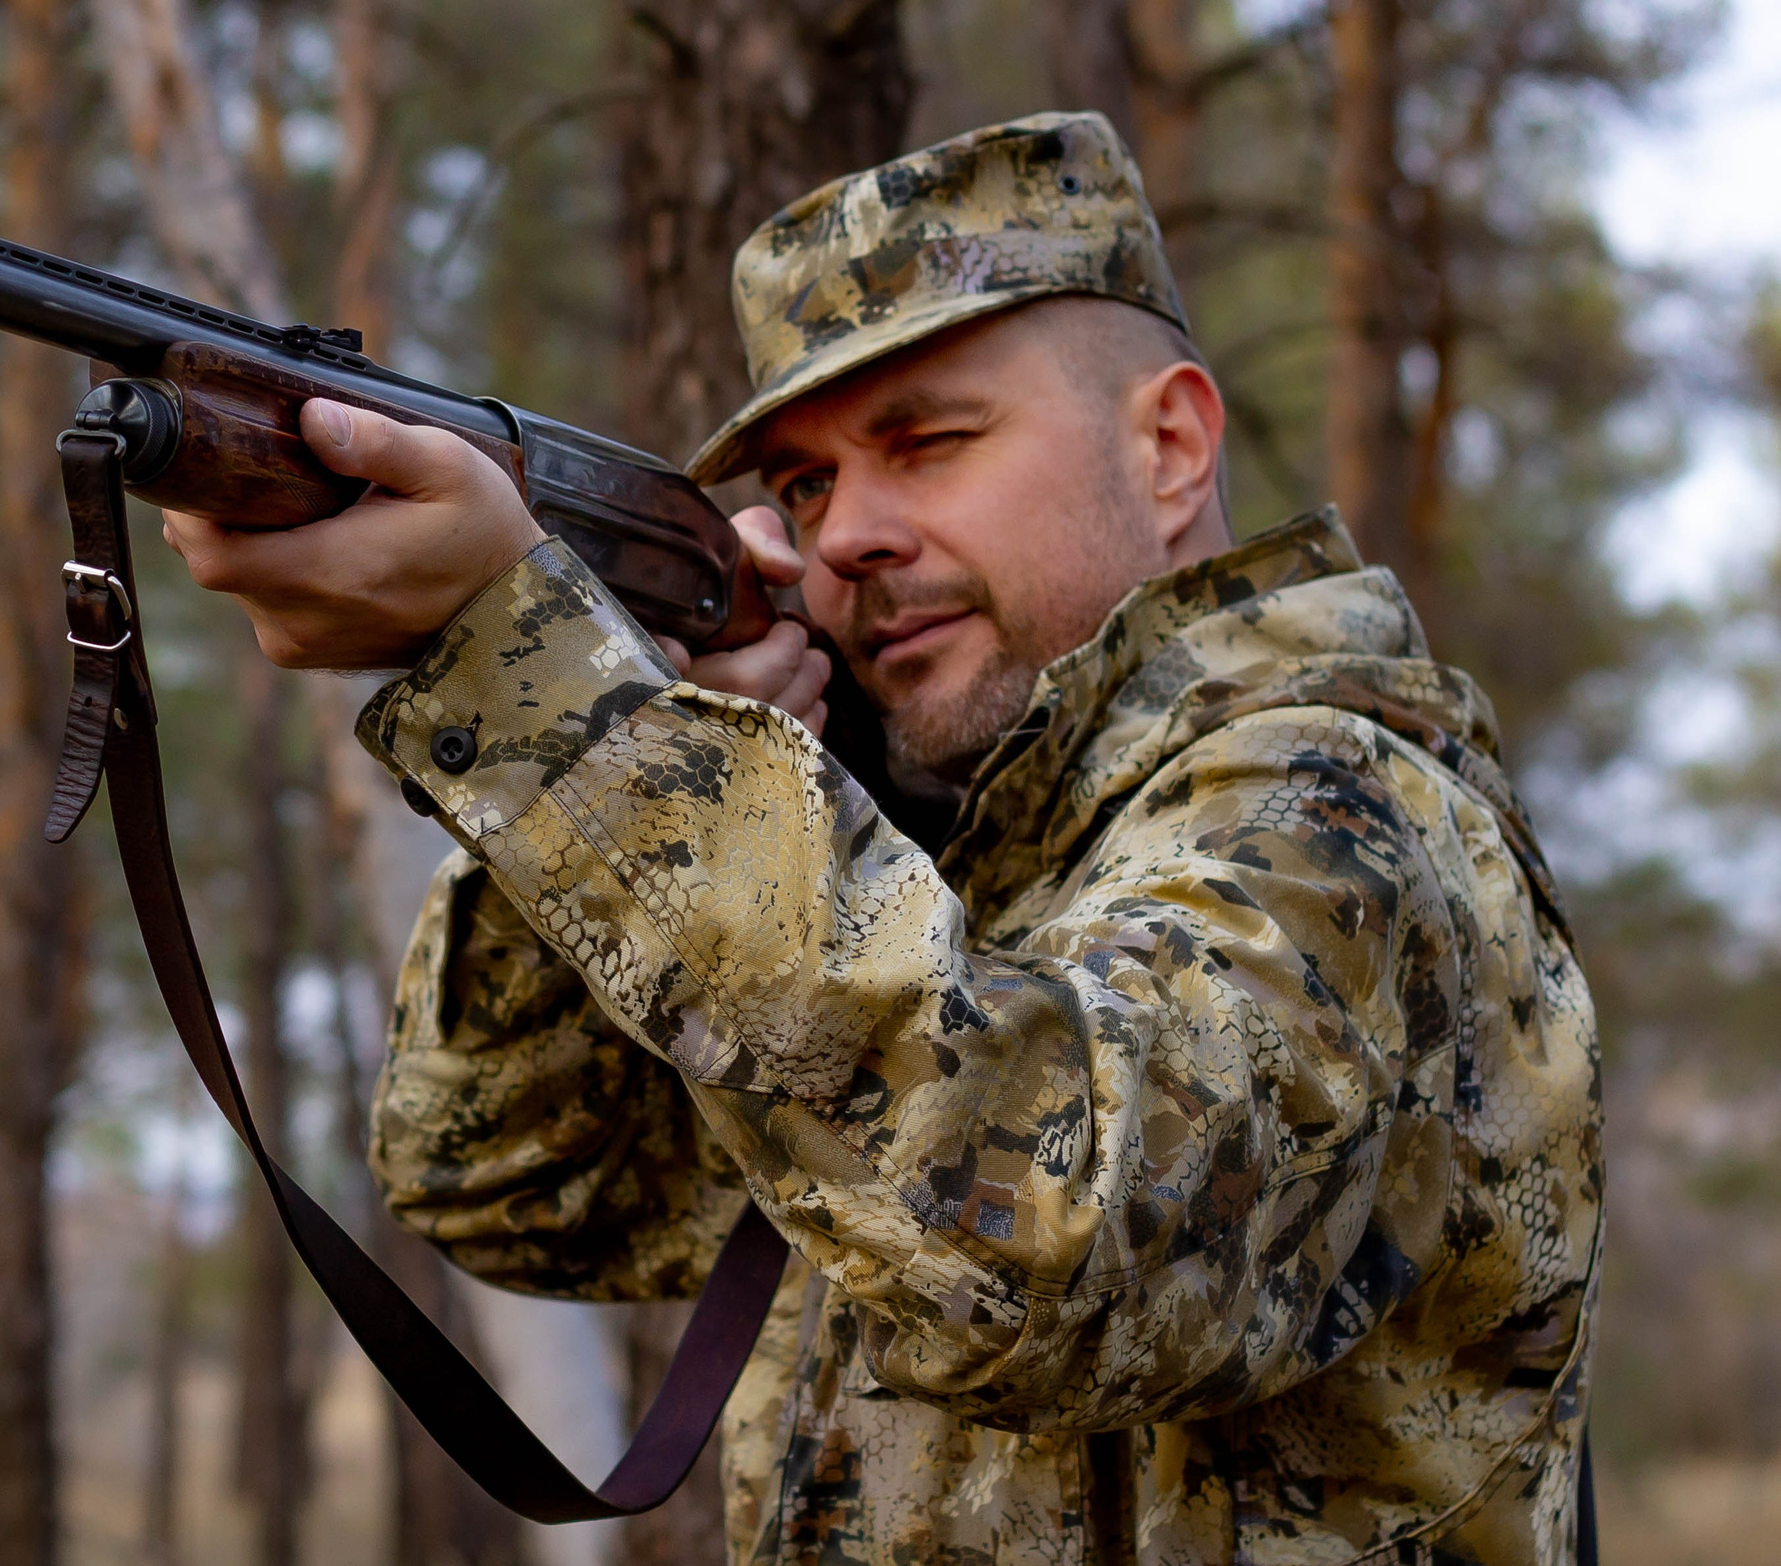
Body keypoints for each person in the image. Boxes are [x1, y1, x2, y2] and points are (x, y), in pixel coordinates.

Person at [162, 114, 1602, 1565]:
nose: (847, 532)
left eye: (927, 442)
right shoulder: (920, 860)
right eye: (805, 486)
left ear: (1169, 447)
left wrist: (553, 707)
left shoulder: (1350, 808)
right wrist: (685, 746)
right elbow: (514, 1182)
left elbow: (1050, 1241)